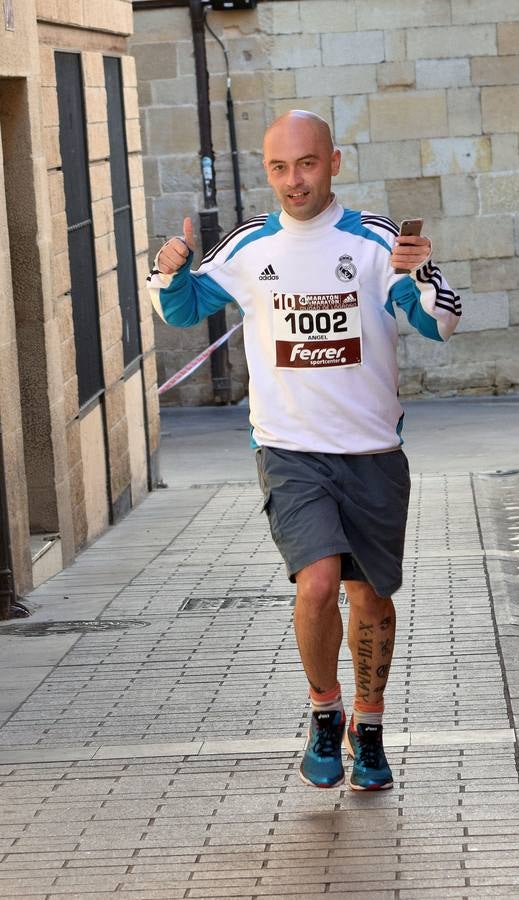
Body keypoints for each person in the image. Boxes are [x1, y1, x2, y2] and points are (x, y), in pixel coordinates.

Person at [147, 110, 461, 791]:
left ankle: (368, 729)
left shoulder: (377, 241)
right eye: (279, 168)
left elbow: (439, 323)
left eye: (308, 164)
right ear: (268, 172)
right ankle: (325, 710)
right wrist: (168, 270)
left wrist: (421, 273)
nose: (294, 180)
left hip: (372, 452)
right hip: (290, 450)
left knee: (369, 597)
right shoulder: (249, 246)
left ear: (335, 162)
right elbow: (179, 309)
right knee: (317, 584)